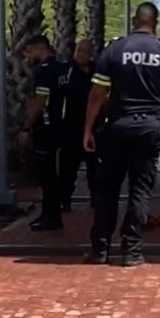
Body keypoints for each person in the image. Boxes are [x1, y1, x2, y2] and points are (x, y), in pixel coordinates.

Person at [83, 2, 160, 266]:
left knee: (107, 189)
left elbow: (97, 94)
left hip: (118, 126)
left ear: (133, 20)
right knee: (140, 190)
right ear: (156, 22)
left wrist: (88, 129)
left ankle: (100, 250)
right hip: (150, 128)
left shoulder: (115, 50)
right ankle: (132, 251)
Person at [16, 34, 69, 231]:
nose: (27, 58)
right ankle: (49, 214)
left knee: (47, 176)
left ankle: (51, 217)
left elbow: (40, 103)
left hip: (46, 129)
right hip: (60, 127)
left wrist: (26, 127)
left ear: (40, 48)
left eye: (29, 53)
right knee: (51, 175)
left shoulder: (44, 71)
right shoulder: (61, 68)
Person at [59, 39, 100, 212]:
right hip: (71, 127)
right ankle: (64, 199)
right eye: (79, 50)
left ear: (91, 54)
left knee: (95, 166)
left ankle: (97, 200)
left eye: (85, 51)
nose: (81, 54)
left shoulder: (98, 71)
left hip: (95, 127)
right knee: (68, 166)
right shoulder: (66, 70)